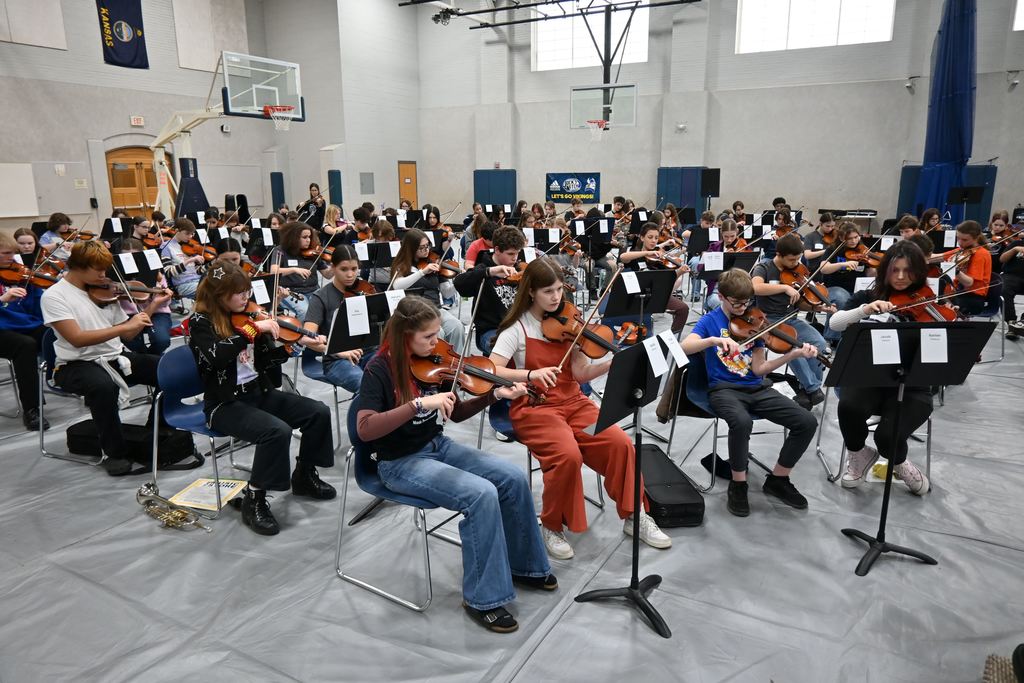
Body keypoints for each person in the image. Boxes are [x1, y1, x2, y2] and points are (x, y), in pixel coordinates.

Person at [355, 296, 554, 632]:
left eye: (438, 335)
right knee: (480, 494)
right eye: (429, 337)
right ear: (405, 337)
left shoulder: (433, 360)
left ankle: (525, 566)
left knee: (512, 476)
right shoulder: (379, 368)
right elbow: (365, 428)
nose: (438, 343)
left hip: (438, 446)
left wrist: (494, 396)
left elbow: (456, 411)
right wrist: (418, 404)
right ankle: (483, 598)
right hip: (399, 462)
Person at [489, 257, 671, 559]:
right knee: (567, 455)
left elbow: (582, 373)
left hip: (574, 403)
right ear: (531, 292)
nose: (557, 297)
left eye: (560, 289)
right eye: (548, 291)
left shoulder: (568, 323)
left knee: (620, 443)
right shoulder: (517, 329)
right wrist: (530, 374)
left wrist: (612, 363)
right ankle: (551, 524)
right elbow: (492, 368)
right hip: (536, 408)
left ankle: (634, 515)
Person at [188, 261, 335, 535]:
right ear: (219, 295)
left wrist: (292, 345)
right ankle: (254, 498)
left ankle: (304, 475)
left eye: (247, 292)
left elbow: (267, 360)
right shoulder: (200, 322)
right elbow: (216, 357)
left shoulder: (249, 316)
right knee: (276, 432)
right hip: (224, 403)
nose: (247, 299)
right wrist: (253, 331)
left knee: (317, 411)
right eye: (239, 294)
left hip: (258, 393)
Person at [681, 268, 820, 516]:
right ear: (722, 297)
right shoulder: (710, 321)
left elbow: (759, 369)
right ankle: (738, 483)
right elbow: (685, 346)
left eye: (747, 302)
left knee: (806, 421)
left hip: (755, 388)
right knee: (742, 421)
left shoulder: (754, 319)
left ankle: (778, 479)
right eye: (736, 303)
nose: (742, 308)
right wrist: (713, 341)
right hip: (723, 390)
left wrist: (793, 354)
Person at [41, 240, 172, 475]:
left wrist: (152, 306)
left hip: (115, 356)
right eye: (99, 270)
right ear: (78, 267)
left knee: (167, 370)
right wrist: (123, 329)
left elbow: (129, 331)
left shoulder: (105, 291)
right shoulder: (54, 296)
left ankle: (156, 431)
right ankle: (115, 452)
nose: (104, 275)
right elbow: (77, 338)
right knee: (102, 387)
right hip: (74, 364)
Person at [828, 241, 933, 495]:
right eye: (894, 270)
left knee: (887, 438)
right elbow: (835, 323)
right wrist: (864, 310)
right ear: (884, 270)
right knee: (848, 405)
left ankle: (899, 462)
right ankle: (859, 454)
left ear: (918, 272)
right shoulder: (869, 296)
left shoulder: (929, 301)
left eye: (907, 271)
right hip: (870, 378)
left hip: (912, 386)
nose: (900, 277)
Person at [750, 232, 831, 410]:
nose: (796, 264)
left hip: (791, 319)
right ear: (779, 255)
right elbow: (755, 287)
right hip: (768, 320)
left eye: (798, 259)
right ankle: (812, 389)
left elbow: (800, 303)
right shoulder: (763, 267)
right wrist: (784, 287)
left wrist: (816, 307)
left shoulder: (798, 271)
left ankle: (807, 389)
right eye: (792, 260)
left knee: (819, 344)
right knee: (794, 347)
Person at [301, 245, 375, 393]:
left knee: (394, 376)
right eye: (344, 269)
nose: (350, 275)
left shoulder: (365, 290)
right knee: (366, 385)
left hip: (368, 352)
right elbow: (306, 338)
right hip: (337, 360)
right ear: (333, 268)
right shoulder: (320, 297)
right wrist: (339, 352)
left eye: (354, 269)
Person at [0, 233, 49, 430]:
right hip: (3, 331)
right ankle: (32, 409)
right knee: (24, 346)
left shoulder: (20, 275)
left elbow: (36, 306)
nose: (11, 258)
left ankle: (71, 379)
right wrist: (2, 299)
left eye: (14, 253)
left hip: (25, 325)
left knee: (56, 332)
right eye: (5, 253)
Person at [389, 228, 465, 351]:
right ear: (411, 248)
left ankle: (454, 364)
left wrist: (459, 282)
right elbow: (397, 285)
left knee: (457, 326)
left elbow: (446, 293)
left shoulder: (433, 263)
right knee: (437, 333)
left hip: (436, 309)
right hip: (415, 313)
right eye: (421, 248)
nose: (426, 250)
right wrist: (422, 272)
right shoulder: (402, 265)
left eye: (427, 246)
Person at [453, 226, 525, 354]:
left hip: (518, 327)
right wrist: (490, 272)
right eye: (510, 254)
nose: (515, 258)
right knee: (508, 350)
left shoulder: (518, 268)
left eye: (517, 253)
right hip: (490, 330)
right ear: (497, 250)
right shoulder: (483, 269)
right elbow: (459, 283)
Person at [614, 222, 690, 336]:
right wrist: (648, 252)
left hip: (656, 295)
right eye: (650, 237)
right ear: (642, 237)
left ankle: (672, 337)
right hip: (637, 297)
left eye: (656, 238)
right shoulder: (636, 253)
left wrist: (680, 272)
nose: (654, 241)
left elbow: (669, 280)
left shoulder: (659, 257)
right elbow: (623, 257)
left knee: (683, 308)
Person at [116, 238, 172, 356]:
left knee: (162, 340)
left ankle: (150, 358)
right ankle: (147, 359)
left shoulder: (155, 273)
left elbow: (166, 304)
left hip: (158, 313)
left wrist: (160, 293)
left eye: (135, 257)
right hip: (128, 314)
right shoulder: (115, 273)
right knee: (130, 341)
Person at [270, 221, 332, 318]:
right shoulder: (280, 250)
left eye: (310, 237)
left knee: (327, 310)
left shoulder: (314, 253)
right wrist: (294, 269)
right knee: (305, 312)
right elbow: (273, 271)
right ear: (294, 238)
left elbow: (328, 275)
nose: (308, 240)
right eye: (304, 237)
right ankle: (306, 333)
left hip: (313, 290)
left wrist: (336, 265)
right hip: (290, 292)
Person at [944, 220, 991, 316]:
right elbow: (937, 256)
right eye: (958, 238)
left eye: (964, 240)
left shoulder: (981, 254)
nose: (960, 243)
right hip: (957, 293)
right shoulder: (962, 250)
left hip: (973, 298)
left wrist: (955, 270)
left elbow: (969, 283)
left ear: (976, 238)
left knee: (942, 305)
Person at [160, 218, 206, 300]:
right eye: (187, 234)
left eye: (192, 234)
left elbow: (197, 271)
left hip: (198, 280)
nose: (190, 236)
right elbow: (167, 272)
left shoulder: (190, 246)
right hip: (183, 285)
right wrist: (189, 261)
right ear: (177, 230)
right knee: (212, 290)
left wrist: (212, 264)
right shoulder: (166, 246)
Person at [995, 213, 1024, 338]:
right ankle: (1011, 322)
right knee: (1004, 289)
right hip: (1011, 275)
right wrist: (1015, 249)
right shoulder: (1016, 243)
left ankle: (1022, 322)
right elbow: (1002, 259)